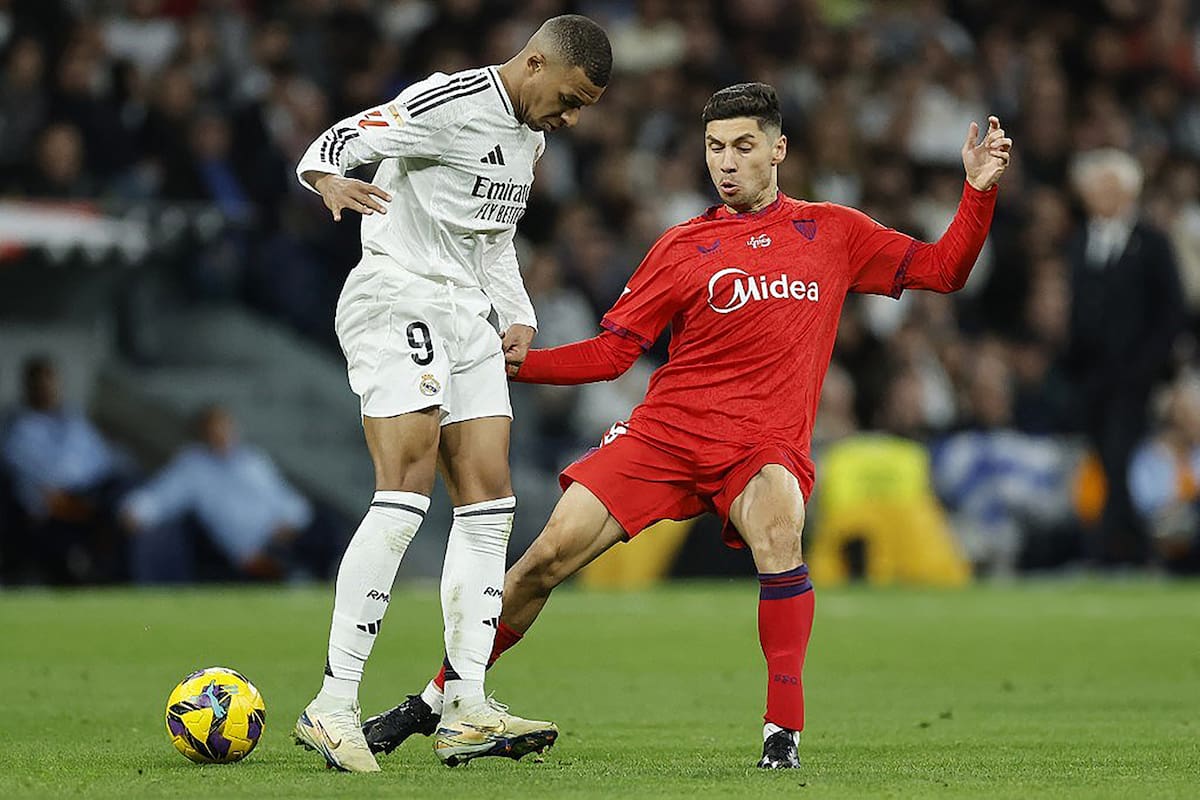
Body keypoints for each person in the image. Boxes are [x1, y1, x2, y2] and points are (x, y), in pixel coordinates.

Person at [362, 82, 1012, 769]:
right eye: (713, 148)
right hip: (664, 437)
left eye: (742, 146)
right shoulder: (681, 246)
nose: (726, 162)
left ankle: (781, 733)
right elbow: (614, 354)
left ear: (778, 149)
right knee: (544, 560)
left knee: (779, 528)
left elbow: (945, 271)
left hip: (761, 446)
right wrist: (518, 366)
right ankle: (436, 700)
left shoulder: (834, 232)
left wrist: (977, 192)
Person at [290, 15, 612, 772]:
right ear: (534, 63)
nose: (569, 119)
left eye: (582, 109)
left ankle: (465, 702)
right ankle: (332, 703)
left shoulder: (528, 139)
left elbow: (491, 239)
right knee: (403, 493)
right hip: (399, 297)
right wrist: (327, 179)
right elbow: (343, 136)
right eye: (568, 99)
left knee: (490, 502)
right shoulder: (452, 99)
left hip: (468, 314)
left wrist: (520, 314)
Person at [1065, 149, 1185, 565]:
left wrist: (1150, 364)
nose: (1098, 195)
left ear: (1128, 192)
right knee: (1105, 460)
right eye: (1094, 187)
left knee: (1118, 458)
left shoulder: (1151, 242)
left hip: (1134, 378)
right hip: (1093, 377)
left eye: (1108, 187)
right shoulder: (1081, 240)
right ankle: (1142, 550)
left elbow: (1171, 310)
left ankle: (1102, 552)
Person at [121, 405, 334, 582]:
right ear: (203, 435)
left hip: (283, 532)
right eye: (215, 430)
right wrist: (136, 512)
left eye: (225, 427)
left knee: (324, 520)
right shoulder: (194, 467)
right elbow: (163, 497)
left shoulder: (252, 459)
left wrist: (290, 522)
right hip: (247, 548)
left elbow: (283, 497)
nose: (222, 435)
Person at [0, 356, 134, 584]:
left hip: (92, 494)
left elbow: (104, 458)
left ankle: (110, 571)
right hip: (48, 503)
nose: (47, 389)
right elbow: (33, 473)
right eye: (40, 383)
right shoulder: (17, 427)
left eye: (51, 381)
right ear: (29, 387)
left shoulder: (74, 419)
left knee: (127, 492)